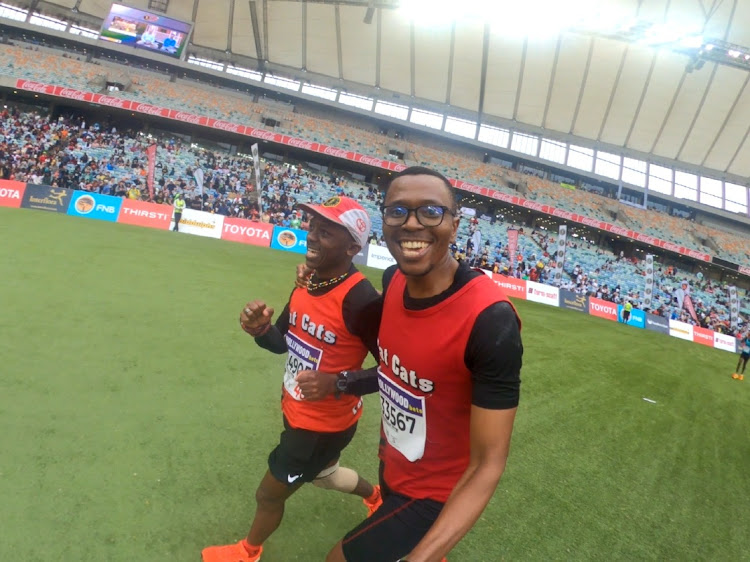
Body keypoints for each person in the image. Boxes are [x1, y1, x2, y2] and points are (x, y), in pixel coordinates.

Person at [296, 167, 523, 561]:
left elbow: (489, 463)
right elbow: (380, 351)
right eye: (397, 211)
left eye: (431, 212)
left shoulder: (490, 321)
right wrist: (313, 281)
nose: (412, 223)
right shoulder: (393, 280)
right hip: (395, 467)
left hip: (437, 493)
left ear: (454, 225)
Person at [202, 196, 383, 562]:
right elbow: (282, 342)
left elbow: (395, 372)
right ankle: (375, 497)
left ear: (352, 247)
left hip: (319, 427)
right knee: (324, 475)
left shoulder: (362, 301)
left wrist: (338, 383)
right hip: (297, 412)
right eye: (312, 228)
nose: (312, 237)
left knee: (269, 495)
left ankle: (248, 552)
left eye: (326, 232)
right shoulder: (309, 281)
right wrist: (261, 330)